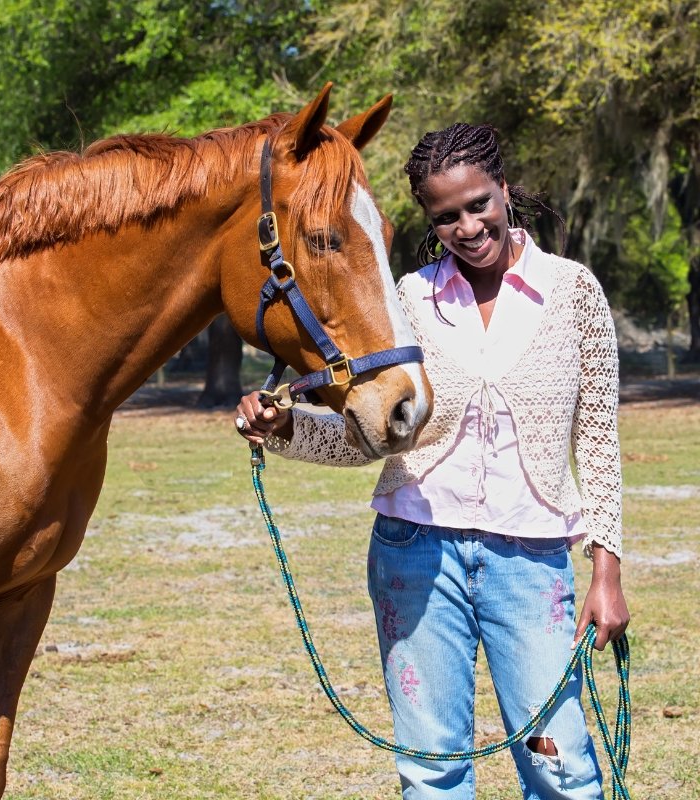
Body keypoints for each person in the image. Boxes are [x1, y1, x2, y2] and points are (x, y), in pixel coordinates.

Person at [234, 122, 629, 799]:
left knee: (559, 764)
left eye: (479, 204)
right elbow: (370, 437)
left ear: (504, 191)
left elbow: (597, 440)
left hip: (531, 563)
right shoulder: (411, 300)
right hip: (413, 555)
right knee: (431, 769)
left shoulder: (573, 292)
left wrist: (607, 570)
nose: (468, 226)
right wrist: (285, 429)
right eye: (446, 217)